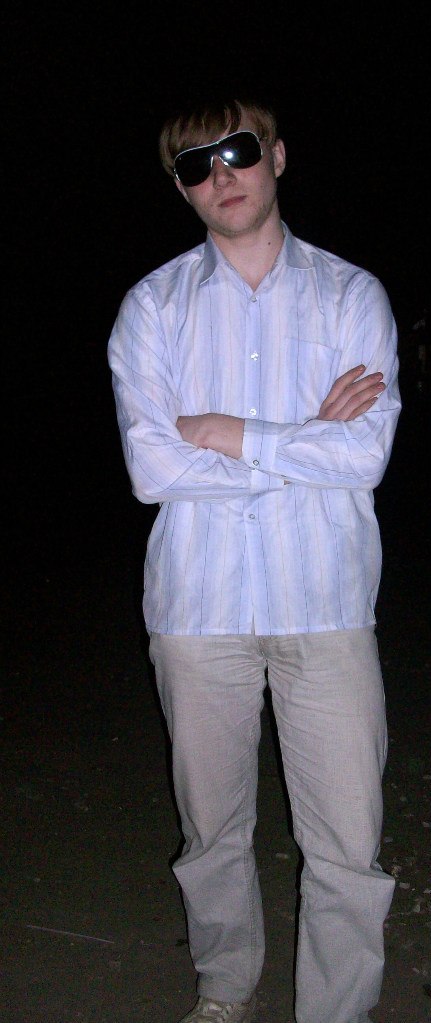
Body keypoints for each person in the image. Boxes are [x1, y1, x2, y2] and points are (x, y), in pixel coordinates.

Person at [108, 96, 401, 1023]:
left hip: (325, 600)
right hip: (196, 609)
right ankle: (224, 989)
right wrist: (303, 438)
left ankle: (335, 1011)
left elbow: (365, 455)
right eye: (193, 165)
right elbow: (153, 469)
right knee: (211, 831)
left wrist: (227, 432)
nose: (219, 176)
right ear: (182, 188)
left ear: (274, 155)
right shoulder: (152, 306)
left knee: (346, 841)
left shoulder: (350, 295)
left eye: (235, 151)